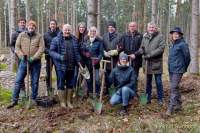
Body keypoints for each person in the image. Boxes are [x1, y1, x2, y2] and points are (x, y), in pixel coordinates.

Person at [7, 20, 45, 109]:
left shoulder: (39, 36)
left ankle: (33, 99)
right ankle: (14, 100)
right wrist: (21, 56)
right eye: (30, 26)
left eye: (33, 26)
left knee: (34, 82)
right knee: (18, 81)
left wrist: (34, 57)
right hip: (24, 62)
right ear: (27, 27)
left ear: (35, 28)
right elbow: (17, 47)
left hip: (35, 62)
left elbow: (41, 48)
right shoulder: (22, 35)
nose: (31, 27)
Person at [50, 24, 81, 108]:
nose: (67, 31)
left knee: (70, 84)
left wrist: (78, 61)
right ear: (62, 30)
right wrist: (60, 57)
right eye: (65, 30)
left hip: (71, 66)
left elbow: (76, 52)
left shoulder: (74, 39)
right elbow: (51, 52)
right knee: (61, 83)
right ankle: (62, 102)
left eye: (68, 30)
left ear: (71, 31)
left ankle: (68, 101)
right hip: (61, 66)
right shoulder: (56, 40)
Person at [134, 22, 165, 105]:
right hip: (146, 63)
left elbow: (161, 49)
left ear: (155, 28)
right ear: (147, 28)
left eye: (153, 27)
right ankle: (148, 98)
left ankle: (160, 98)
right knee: (148, 82)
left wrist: (150, 55)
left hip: (156, 63)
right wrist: (138, 52)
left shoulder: (160, 36)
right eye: (150, 27)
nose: (151, 29)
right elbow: (142, 47)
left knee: (158, 82)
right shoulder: (145, 37)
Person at [166, 27, 190, 115]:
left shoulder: (183, 44)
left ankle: (171, 107)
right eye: (173, 34)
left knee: (173, 87)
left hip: (178, 70)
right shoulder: (173, 44)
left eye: (177, 34)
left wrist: (184, 68)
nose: (175, 35)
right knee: (175, 87)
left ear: (179, 35)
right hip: (171, 69)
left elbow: (187, 58)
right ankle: (179, 104)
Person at [121, 22, 143, 97]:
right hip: (126, 60)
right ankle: (127, 92)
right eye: (130, 26)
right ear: (128, 27)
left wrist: (135, 54)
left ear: (136, 27)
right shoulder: (125, 35)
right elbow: (122, 47)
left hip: (136, 60)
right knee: (127, 77)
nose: (132, 27)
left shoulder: (140, 36)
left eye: (133, 26)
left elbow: (142, 48)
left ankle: (134, 92)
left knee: (134, 77)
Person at [80, 26, 103, 96]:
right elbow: (82, 50)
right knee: (88, 79)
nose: (92, 32)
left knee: (96, 79)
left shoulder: (99, 42)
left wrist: (97, 59)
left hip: (95, 64)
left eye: (94, 31)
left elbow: (101, 53)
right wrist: (84, 53)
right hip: (87, 64)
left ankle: (97, 92)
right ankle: (90, 92)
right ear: (89, 32)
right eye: (91, 31)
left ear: (96, 33)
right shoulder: (86, 41)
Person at [102, 20, 123, 93]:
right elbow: (102, 46)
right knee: (107, 75)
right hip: (106, 59)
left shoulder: (119, 36)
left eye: (112, 27)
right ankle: (108, 90)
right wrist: (104, 52)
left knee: (116, 74)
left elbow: (121, 46)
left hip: (115, 60)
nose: (110, 28)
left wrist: (116, 51)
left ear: (115, 28)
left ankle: (116, 90)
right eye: (109, 27)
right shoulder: (104, 36)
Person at [10, 18, 27, 96]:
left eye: (23, 23)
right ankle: (22, 90)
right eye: (21, 23)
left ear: (25, 24)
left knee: (29, 72)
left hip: (28, 56)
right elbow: (11, 45)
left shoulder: (28, 32)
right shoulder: (15, 33)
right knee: (21, 74)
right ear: (18, 24)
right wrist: (16, 52)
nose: (22, 24)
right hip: (19, 57)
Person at [43, 19, 60, 94]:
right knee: (48, 74)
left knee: (59, 73)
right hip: (49, 57)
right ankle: (49, 89)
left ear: (56, 25)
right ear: (49, 25)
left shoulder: (60, 34)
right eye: (51, 24)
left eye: (54, 24)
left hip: (57, 57)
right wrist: (49, 52)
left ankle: (60, 89)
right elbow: (43, 46)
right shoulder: (46, 34)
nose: (52, 25)